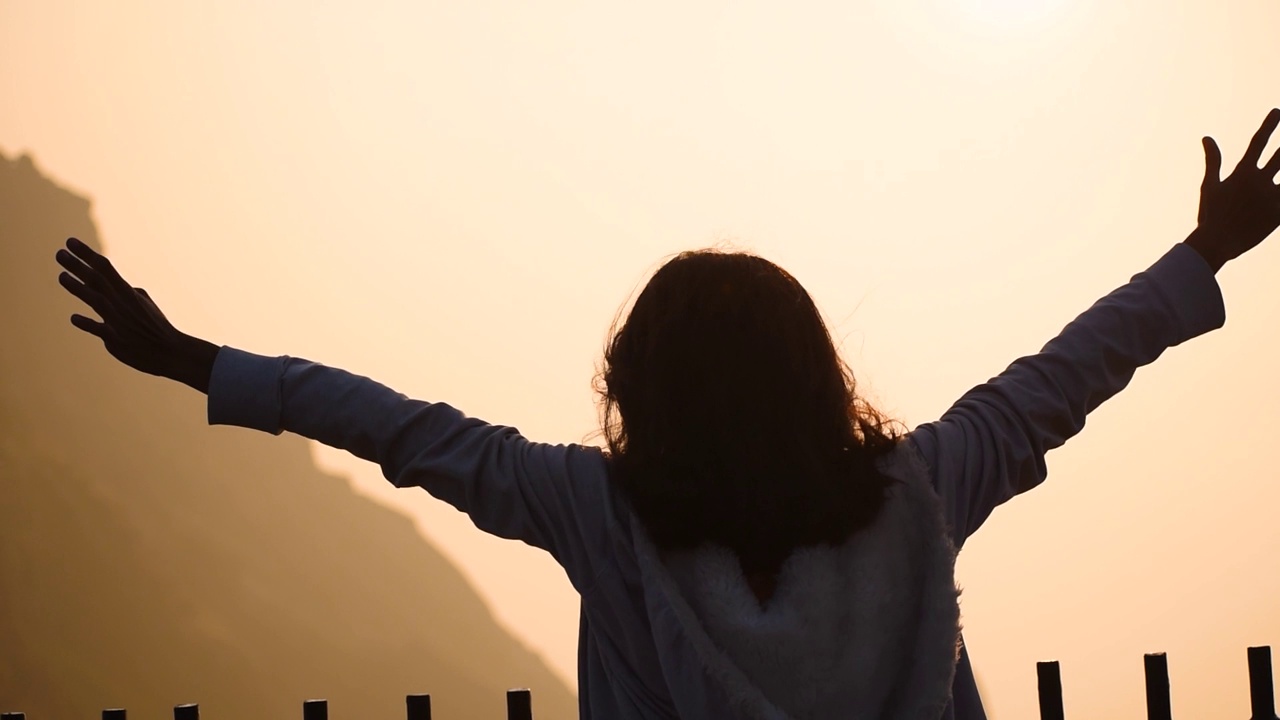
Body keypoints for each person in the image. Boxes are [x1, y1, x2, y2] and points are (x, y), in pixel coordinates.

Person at [55, 109, 1280, 720]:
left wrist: (199, 363)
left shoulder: (601, 514)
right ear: (816, 376)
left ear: (637, 387)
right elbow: (1064, 377)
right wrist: (1201, 255)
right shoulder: (922, 489)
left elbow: (401, 428)